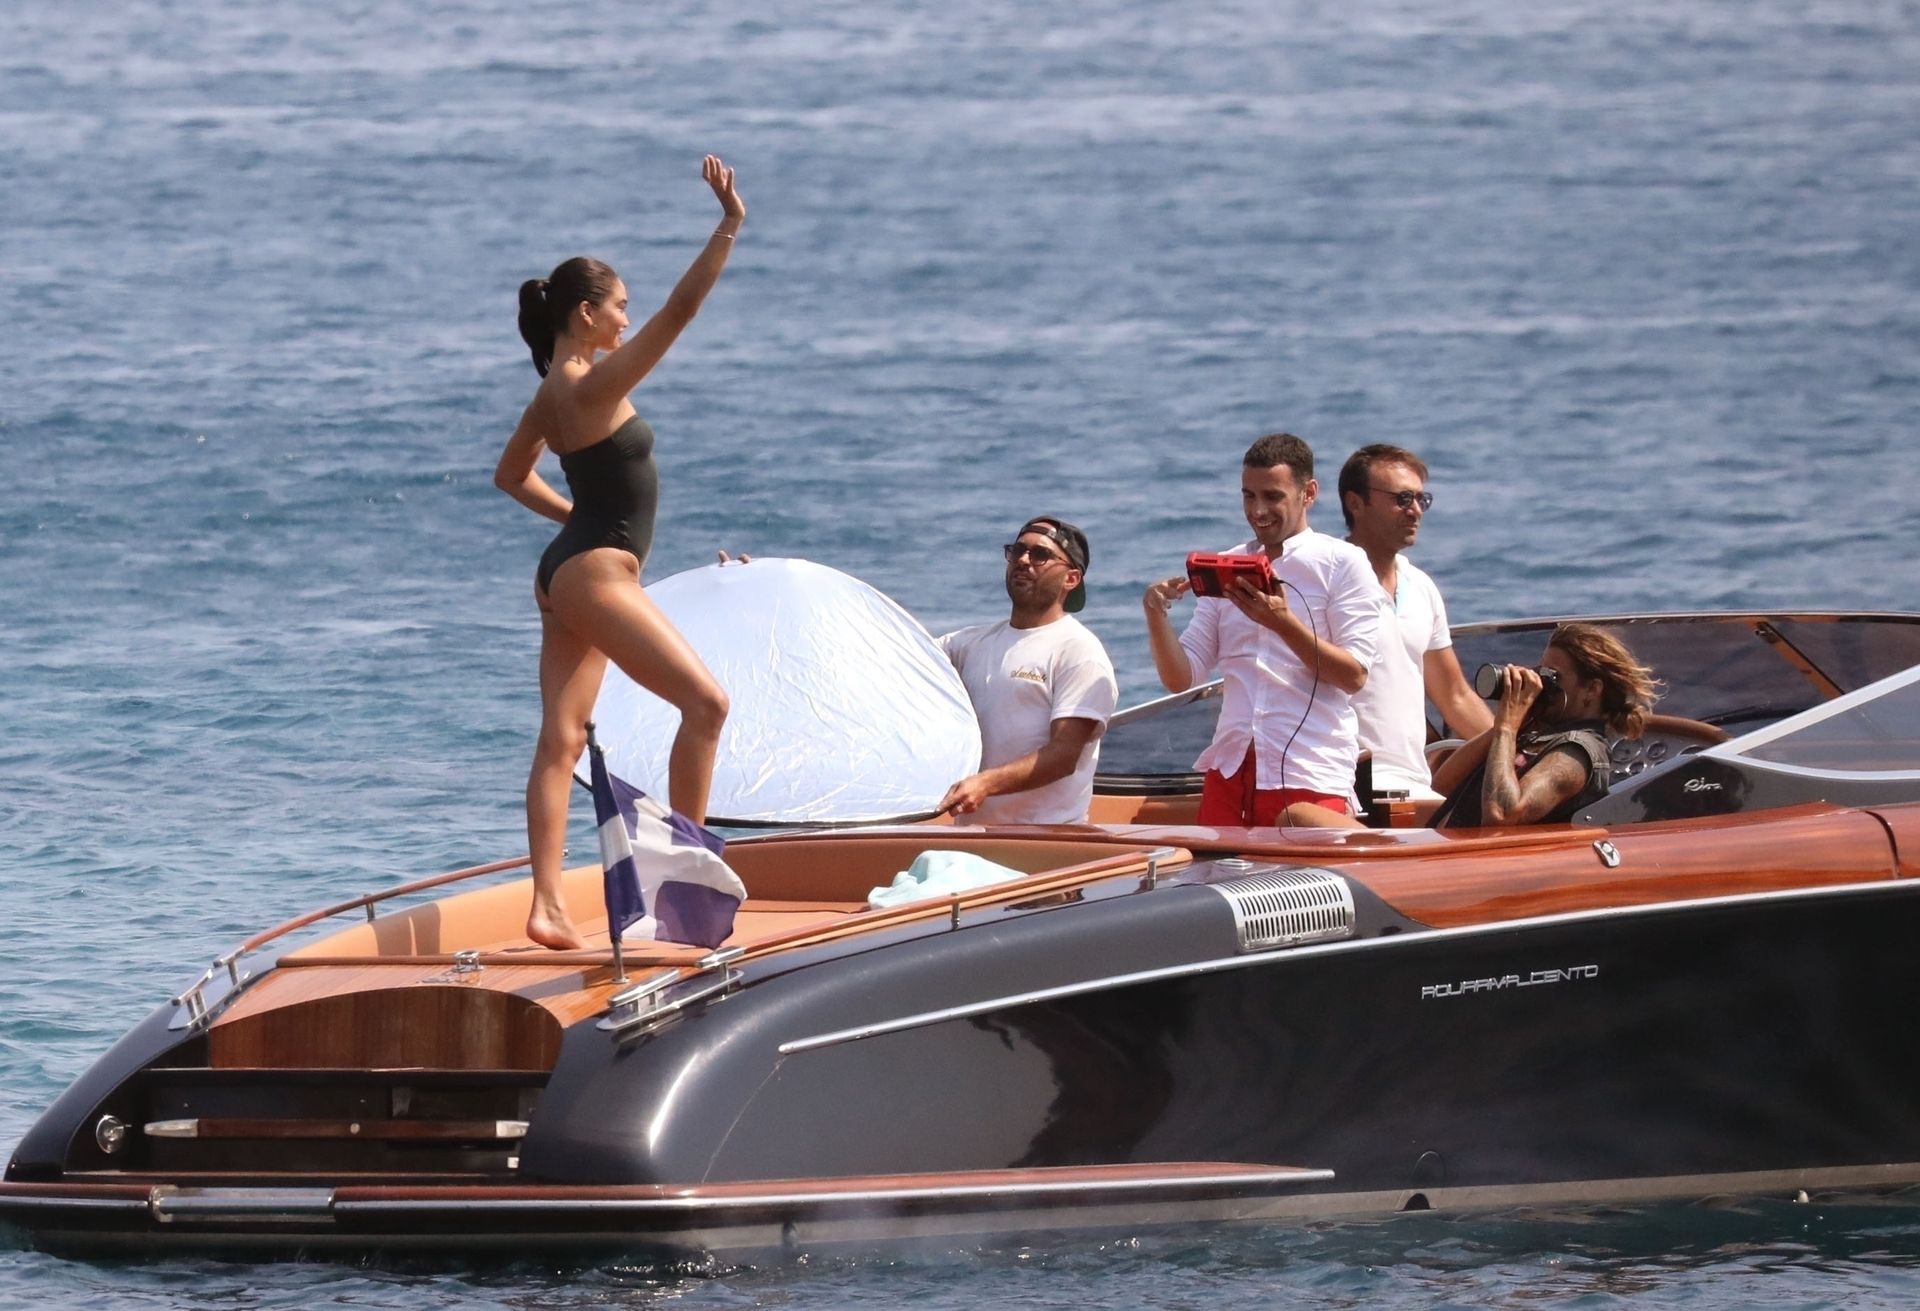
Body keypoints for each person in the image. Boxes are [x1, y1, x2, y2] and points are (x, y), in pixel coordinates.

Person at [494, 155, 745, 950]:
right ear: (585, 312)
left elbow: (510, 475)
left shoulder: (553, 393)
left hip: (568, 571)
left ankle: (548, 905)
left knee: (561, 739)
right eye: (619, 307)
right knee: (706, 705)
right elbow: (682, 310)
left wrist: (577, 517)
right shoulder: (590, 387)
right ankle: (684, 881)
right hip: (596, 572)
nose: (628, 321)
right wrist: (729, 224)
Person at [1142, 433, 1382, 826]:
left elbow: (1353, 675)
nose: (1258, 510)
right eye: (1248, 496)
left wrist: (1283, 624)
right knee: (1216, 866)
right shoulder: (1227, 565)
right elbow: (1181, 677)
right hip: (1231, 769)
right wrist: (1156, 614)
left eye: (1272, 496)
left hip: (1309, 768)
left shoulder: (1342, 563)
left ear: (1309, 493)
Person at [937, 517, 1119, 824]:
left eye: (1040, 555)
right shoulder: (967, 645)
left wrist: (984, 784)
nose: (1023, 560)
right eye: (1018, 550)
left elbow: (1063, 756)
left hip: (1044, 840)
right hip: (971, 837)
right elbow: (901, 660)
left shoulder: (1079, 652)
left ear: (1071, 578)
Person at [1337, 444, 1492, 803]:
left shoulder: (1420, 587)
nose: (1416, 510)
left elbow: (1454, 695)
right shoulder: (1328, 582)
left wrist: (1513, 751)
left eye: (1422, 499)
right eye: (1403, 499)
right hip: (1348, 784)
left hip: (1414, 782)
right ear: (1355, 503)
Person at [1429, 623, 1658, 827]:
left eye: (1554, 677)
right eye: (1541, 673)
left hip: (1480, 859)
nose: (1543, 685)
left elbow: (1502, 813)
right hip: (1449, 849)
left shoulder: (1578, 752)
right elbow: (1443, 785)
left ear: (1591, 690)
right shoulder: (1534, 733)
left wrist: (1507, 727)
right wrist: (1504, 725)